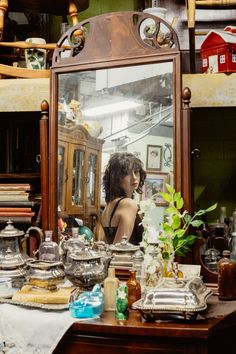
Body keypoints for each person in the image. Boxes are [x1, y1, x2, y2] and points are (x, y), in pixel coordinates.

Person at [101, 152, 146, 245]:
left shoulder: (109, 205)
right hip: (127, 259)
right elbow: (119, 249)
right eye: (127, 173)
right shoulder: (128, 204)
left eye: (136, 172)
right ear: (116, 178)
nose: (134, 177)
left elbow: (108, 246)